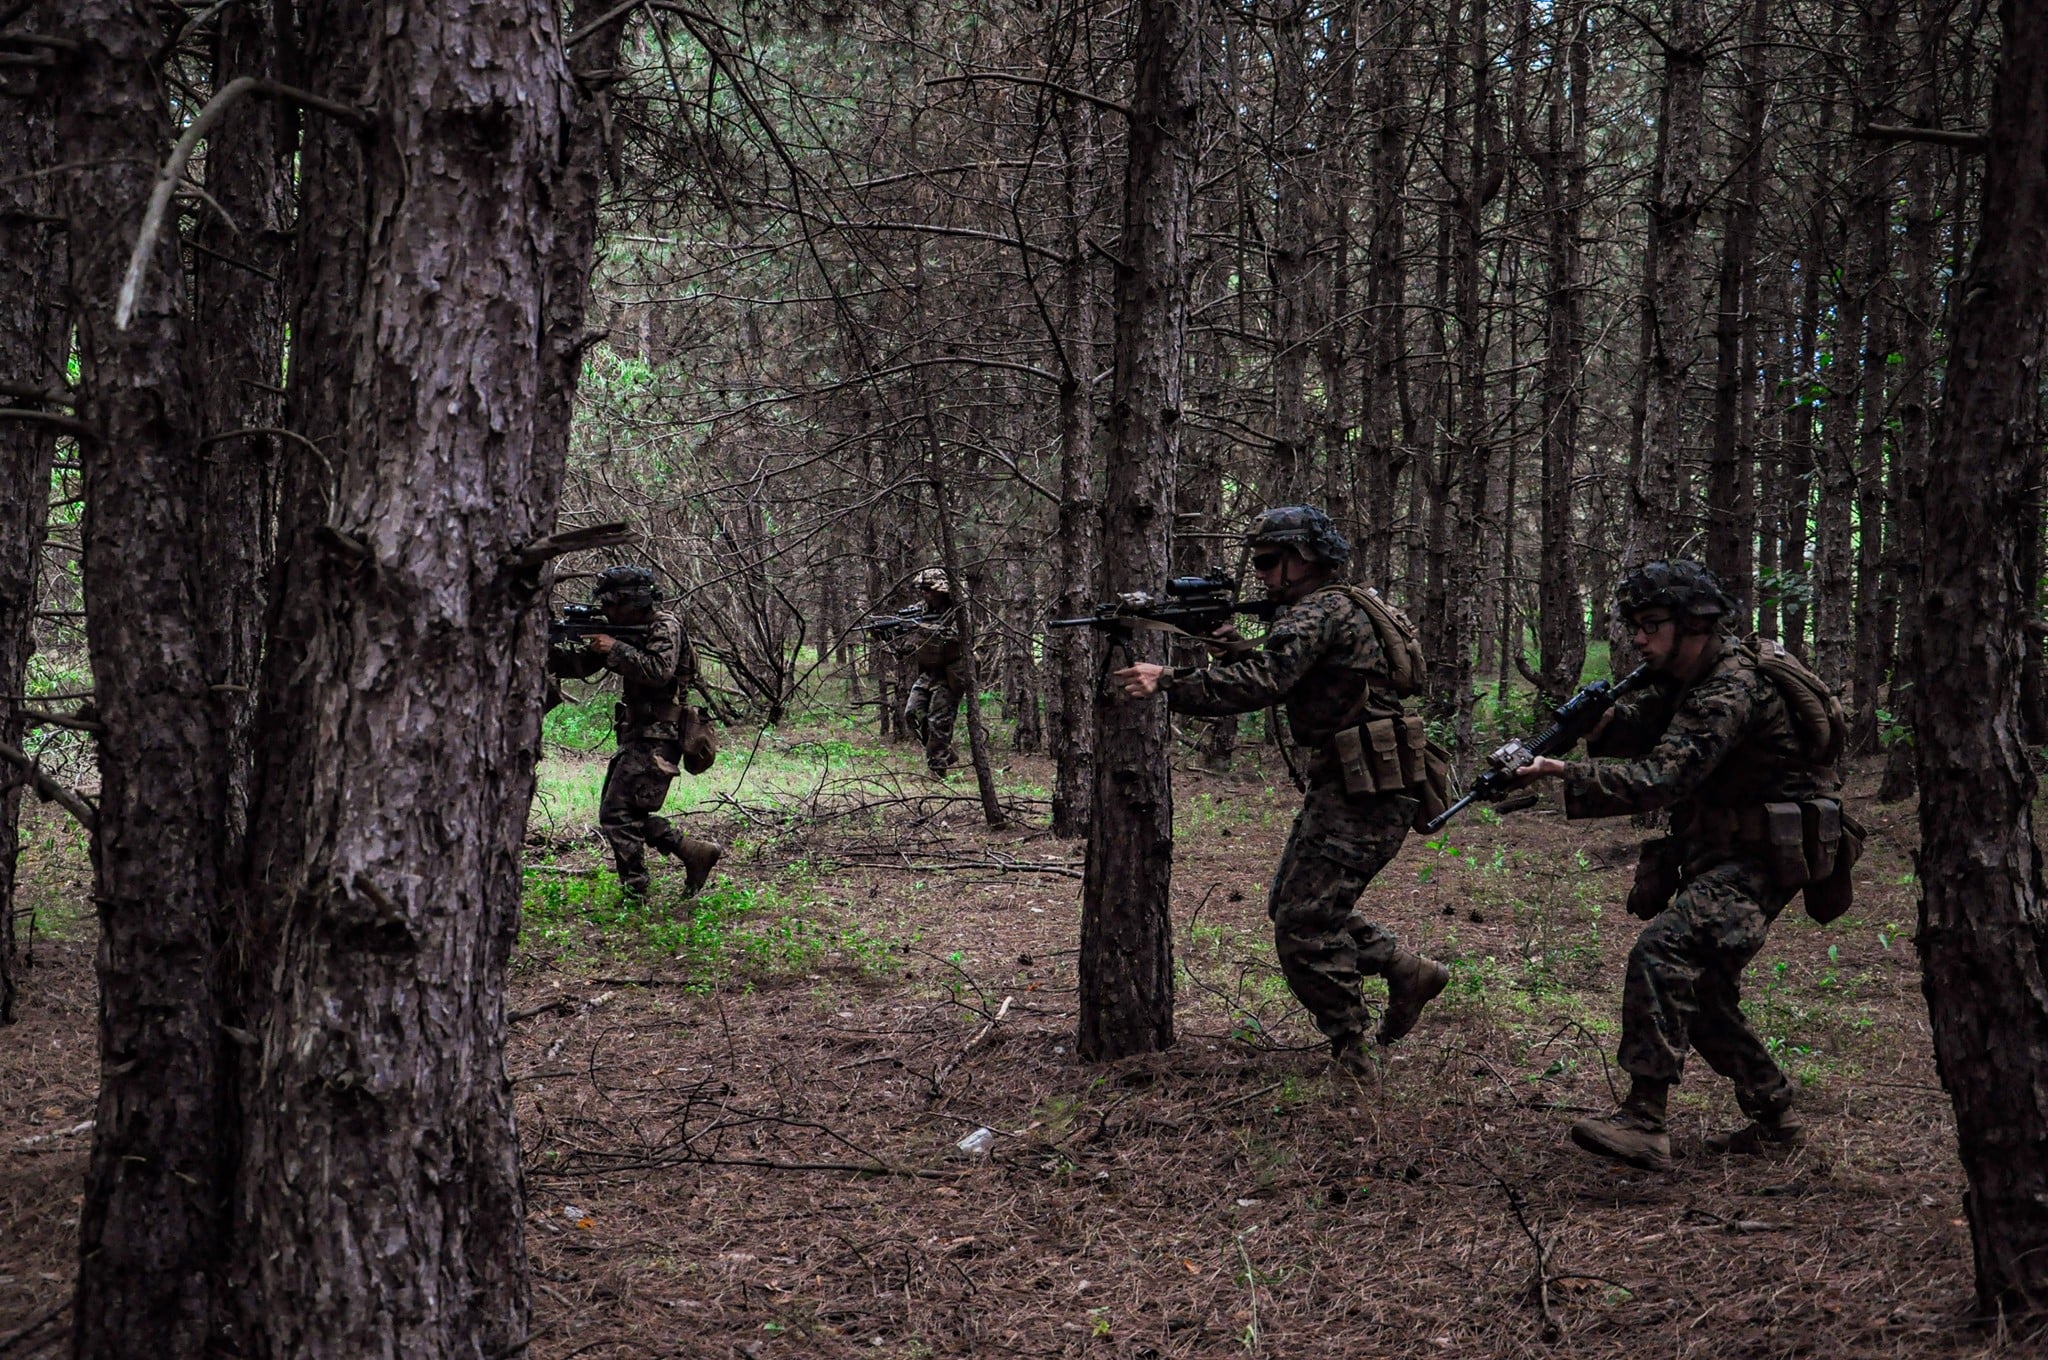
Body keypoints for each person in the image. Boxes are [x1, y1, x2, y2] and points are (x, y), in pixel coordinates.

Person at [1513, 559, 1839, 1171]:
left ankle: (1645, 1120)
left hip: (1762, 857)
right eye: (1635, 624)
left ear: (1695, 624)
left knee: (1665, 954)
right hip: (1722, 852)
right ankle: (1777, 1119)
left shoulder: (1731, 687)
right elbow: (1648, 727)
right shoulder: (1686, 680)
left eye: (1652, 623)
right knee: (1705, 990)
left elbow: (1664, 776)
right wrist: (1596, 724)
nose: (1639, 638)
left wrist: (1563, 773)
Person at [1115, 506, 1450, 1075]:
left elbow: (1263, 683)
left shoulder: (1318, 610)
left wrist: (1167, 679)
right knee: (1295, 907)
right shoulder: (1342, 604)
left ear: (1305, 559)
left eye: (1271, 562)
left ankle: (1352, 1050)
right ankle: (1404, 968)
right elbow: (1308, 671)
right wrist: (1236, 646)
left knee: (1303, 924)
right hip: (1364, 780)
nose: (1263, 575)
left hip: (1363, 787)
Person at [549, 565, 722, 901]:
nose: (608, 610)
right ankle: (692, 852)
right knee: (624, 813)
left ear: (634, 601)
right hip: (641, 732)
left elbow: (658, 672)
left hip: (661, 734)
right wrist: (552, 650)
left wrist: (613, 647)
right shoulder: (627, 630)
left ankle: (637, 891)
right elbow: (581, 667)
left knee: (618, 814)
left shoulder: (663, 626)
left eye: (614, 603)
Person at [897, 567, 966, 778]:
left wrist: (925, 629)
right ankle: (945, 753)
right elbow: (910, 641)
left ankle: (937, 770)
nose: (925, 594)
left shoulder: (958, 611)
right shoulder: (920, 609)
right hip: (928, 672)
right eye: (922, 589)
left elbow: (956, 637)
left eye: (928, 589)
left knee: (939, 721)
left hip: (951, 673)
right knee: (912, 714)